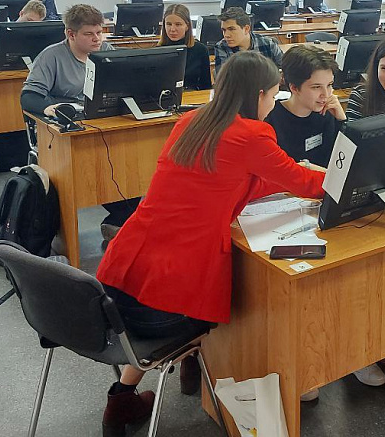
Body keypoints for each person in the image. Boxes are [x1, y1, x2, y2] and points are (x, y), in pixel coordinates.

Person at [96, 51, 325, 433]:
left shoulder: (192, 120)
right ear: (259, 95)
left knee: (151, 323)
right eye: (273, 96)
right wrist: (341, 180)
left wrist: (284, 179)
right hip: (170, 298)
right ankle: (193, 361)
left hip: (120, 279)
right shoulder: (253, 134)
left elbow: (231, 180)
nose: (274, 104)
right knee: (228, 305)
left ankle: (124, 398)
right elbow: (302, 182)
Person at [20, 4, 132, 238]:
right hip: (68, 128)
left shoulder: (107, 50)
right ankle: (123, 218)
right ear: (70, 34)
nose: (97, 39)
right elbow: (28, 97)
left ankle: (123, 218)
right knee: (101, 167)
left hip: (105, 122)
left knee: (130, 160)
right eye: (89, 34)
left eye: (99, 32)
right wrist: (50, 108)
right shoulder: (51, 56)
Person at [267, 45, 344, 167]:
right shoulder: (271, 119)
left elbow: (344, 161)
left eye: (329, 85)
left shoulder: (328, 112)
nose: (326, 94)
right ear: (294, 88)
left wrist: (342, 121)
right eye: (316, 87)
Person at [213, 6, 283, 76]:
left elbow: (284, 69)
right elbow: (224, 78)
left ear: (246, 29)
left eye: (231, 29)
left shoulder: (268, 44)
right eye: (224, 30)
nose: (226, 35)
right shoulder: (222, 47)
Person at [158, 4, 212, 91]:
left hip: (192, 96)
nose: (172, 29)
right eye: (168, 24)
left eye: (178, 24)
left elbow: (206, 86)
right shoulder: (158, 51)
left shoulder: (201, 50)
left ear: (187, 26)